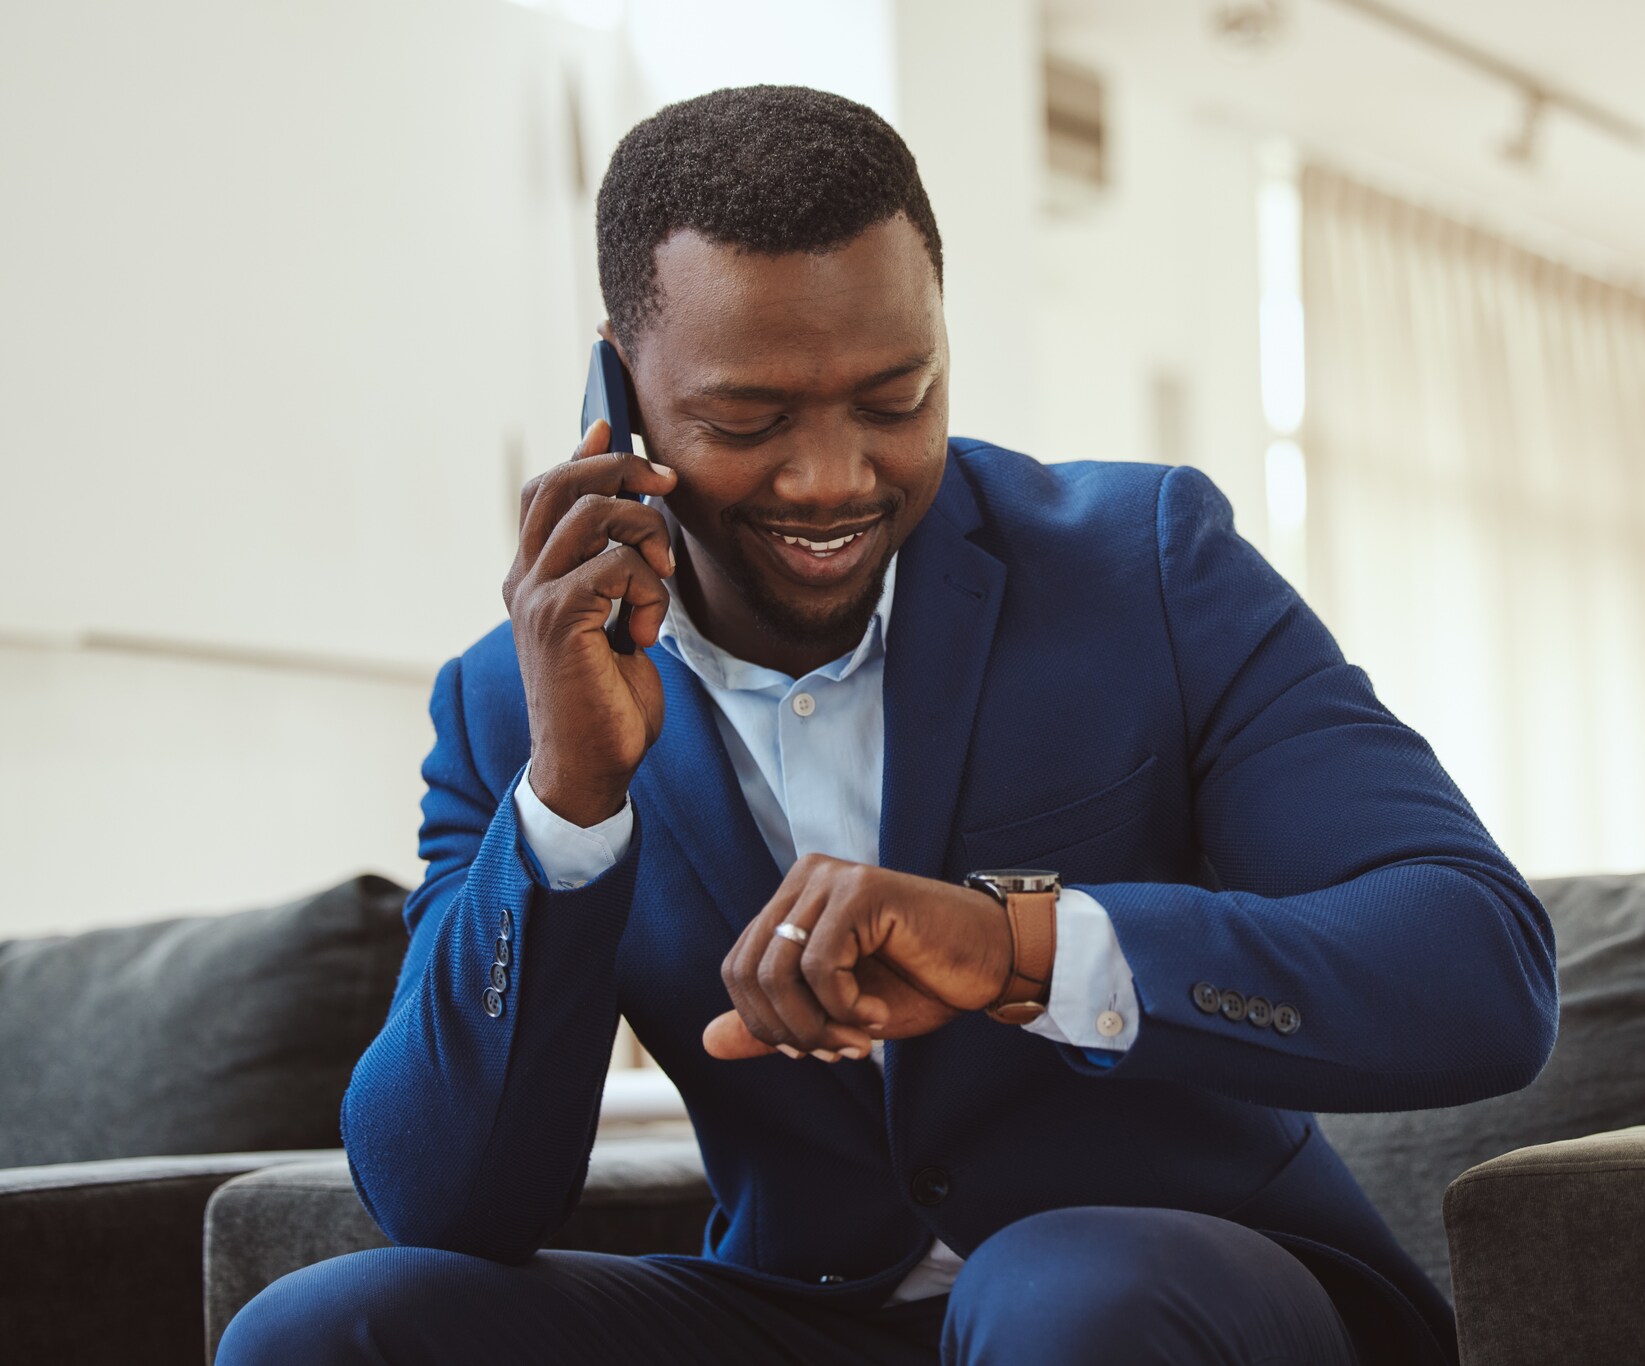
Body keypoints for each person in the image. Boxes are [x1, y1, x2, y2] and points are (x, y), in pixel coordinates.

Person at [218, 84, 1557, 1366]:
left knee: (1062, 1297)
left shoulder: (1143, 563)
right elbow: (447, 1201)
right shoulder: (515, 698)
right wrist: (570, 799)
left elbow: (1480, 966)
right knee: (318, 1334)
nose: (836, 476)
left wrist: (1018, 946)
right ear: (619, 397)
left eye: (896, 397)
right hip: (805, 1310)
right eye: (751, 418)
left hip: (1190, 1287)